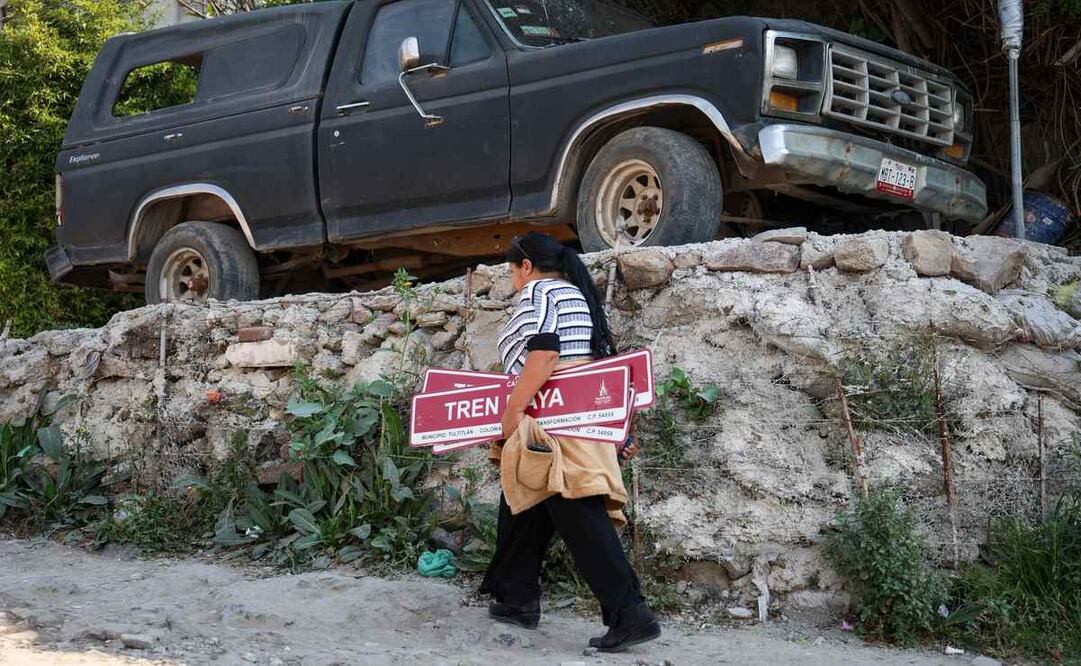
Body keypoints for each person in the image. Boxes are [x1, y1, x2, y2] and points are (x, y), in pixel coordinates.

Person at [479, 232, 660, 653]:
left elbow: (544, 353)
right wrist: (616, 430)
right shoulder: (575, 296)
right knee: (524, 497)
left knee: (578, 512)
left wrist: (512, 413)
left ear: (525, 266)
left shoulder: (539, 292)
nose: (512, 279)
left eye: (511, 270)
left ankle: (629, 613)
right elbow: (593, 365)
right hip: (573, 415)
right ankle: (516, 596)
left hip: (551, 419)